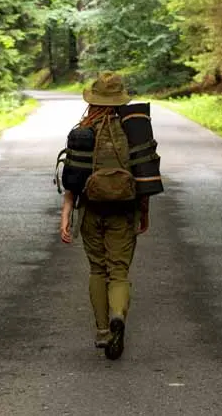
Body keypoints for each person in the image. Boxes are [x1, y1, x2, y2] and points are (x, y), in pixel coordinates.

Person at [60, 72, 150, 360]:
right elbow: (144, 175)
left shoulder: (82, 131)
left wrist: (65, 217)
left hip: (90, 210)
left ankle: (102, 332)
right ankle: (118, 316)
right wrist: (144, 211)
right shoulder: (134, 131)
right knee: (119, 271)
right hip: (124, 210)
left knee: (98, 269)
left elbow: (71, 182)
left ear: (94, 100)